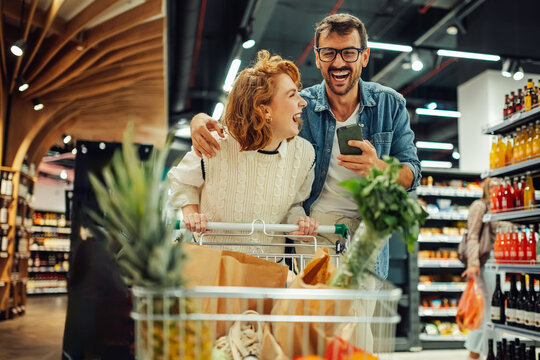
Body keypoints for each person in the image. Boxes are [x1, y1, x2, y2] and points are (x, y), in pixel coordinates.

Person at [189, 13, 421, 278]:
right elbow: (247, 125)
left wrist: (380, 168)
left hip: (367, 235)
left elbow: (412, 173)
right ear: (317, 57)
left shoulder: (390, 105)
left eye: (348, 53)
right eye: (329, 53)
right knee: (312, 314)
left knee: (359, 318)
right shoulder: (302, 104)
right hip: (311, 232)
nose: (338, 62)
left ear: (364, 57)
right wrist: (200, 120)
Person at [168, 50, 320, 253]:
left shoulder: (304, 154)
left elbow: (293, 205)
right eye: (292, 95)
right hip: (216, 264)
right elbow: (182, 181)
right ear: (264, 110)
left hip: (270, 271)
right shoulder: (217, 143)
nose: (303, 102)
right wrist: (191, 213)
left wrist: (299, 225)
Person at [461, 178, 506, 360]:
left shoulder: (503, 208)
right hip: (484, 262)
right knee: (488, 310)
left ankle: (484, 352)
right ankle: (482, 353)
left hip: (499, 262)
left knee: (492, 310)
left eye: (499, 185)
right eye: (491, 185)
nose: (495, 188)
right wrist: (473, 264)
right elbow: (472, 235)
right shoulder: (480, 206)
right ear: (486, 188)